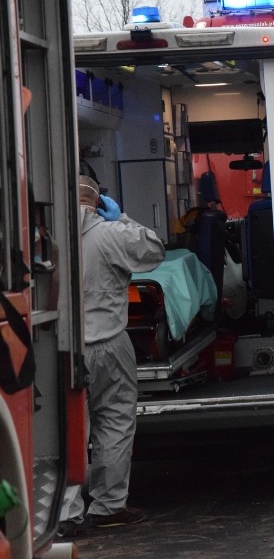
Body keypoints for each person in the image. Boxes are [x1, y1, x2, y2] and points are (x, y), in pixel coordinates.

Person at [60, 175, 165, 536]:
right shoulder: (110, 233)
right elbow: (154, 251)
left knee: (68, 428)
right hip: (110, 343)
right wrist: (119, 218)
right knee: (114, 423)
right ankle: (108, 507)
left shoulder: (42, 237)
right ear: (98, 201)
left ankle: (65, 513)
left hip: (61, 347)